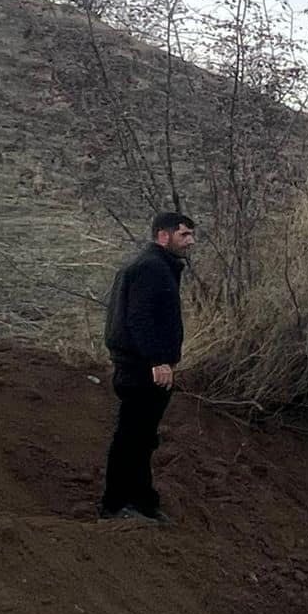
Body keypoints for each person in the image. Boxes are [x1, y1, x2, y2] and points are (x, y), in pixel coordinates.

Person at [100, 212, 196, 522]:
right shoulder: (150, 268)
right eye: (184, 235)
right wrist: (158, 361)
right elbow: (138, 319)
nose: (191, 241)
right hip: (140, 367)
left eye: (191, 235)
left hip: (144, 365)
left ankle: (142, 501)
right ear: (162, 236)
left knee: (142, 438)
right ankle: (114, 506)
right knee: (131, 437)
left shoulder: (158, 267)